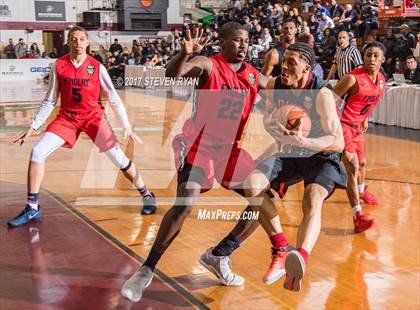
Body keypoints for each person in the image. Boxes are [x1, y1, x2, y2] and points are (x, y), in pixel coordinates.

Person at [120, 22, 270, 302]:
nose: (243, 45)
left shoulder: (252, 76)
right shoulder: (208, 65)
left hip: (229, 150)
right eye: (236, 41)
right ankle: (146, 269)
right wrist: (184, 53)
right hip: (198, 144)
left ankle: (220, 255)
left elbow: (283, 89)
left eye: (247, 41)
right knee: (185, 203)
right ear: (222, 43)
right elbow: (173, 74)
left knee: (263, 202)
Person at [7, 26, 157, 228]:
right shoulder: (58, 65)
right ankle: (33, 208)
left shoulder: (97, 67)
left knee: (119, 160)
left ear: (87, 42)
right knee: (37, 152)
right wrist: (34, 126)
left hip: (93, 118)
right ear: (68, 42)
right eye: (74, 39)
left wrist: (126, 126)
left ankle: (146, 194)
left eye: (82, 39)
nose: (78, 43)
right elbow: (50, 99)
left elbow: (113, 97)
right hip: (67, 118)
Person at [240, 42, 346, 291]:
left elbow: (337, 141)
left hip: (320, 153)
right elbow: (268, 118)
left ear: (307, 68)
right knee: (251, 183)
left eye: (291, 63)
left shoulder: (322, 93)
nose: (283, 67)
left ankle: (301, 257)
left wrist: (304, 141)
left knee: (313, 197)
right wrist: (274, 127)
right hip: (289, 151)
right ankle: (281, 246)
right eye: (283, 61)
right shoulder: (277, 85)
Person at [333, 41, 387, 233]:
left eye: (375, 55)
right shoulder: (352, 78)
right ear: (363, 58)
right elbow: (330, 98)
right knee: (353, 167)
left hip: (358, 127)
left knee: (362, 164)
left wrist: (365, 118)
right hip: (344, 125)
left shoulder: (381, 80)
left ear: (383, 59)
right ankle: (357, 215)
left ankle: (362, 191)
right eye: (368, 55)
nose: (371, 59)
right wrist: (333, 124)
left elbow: (372, 102)